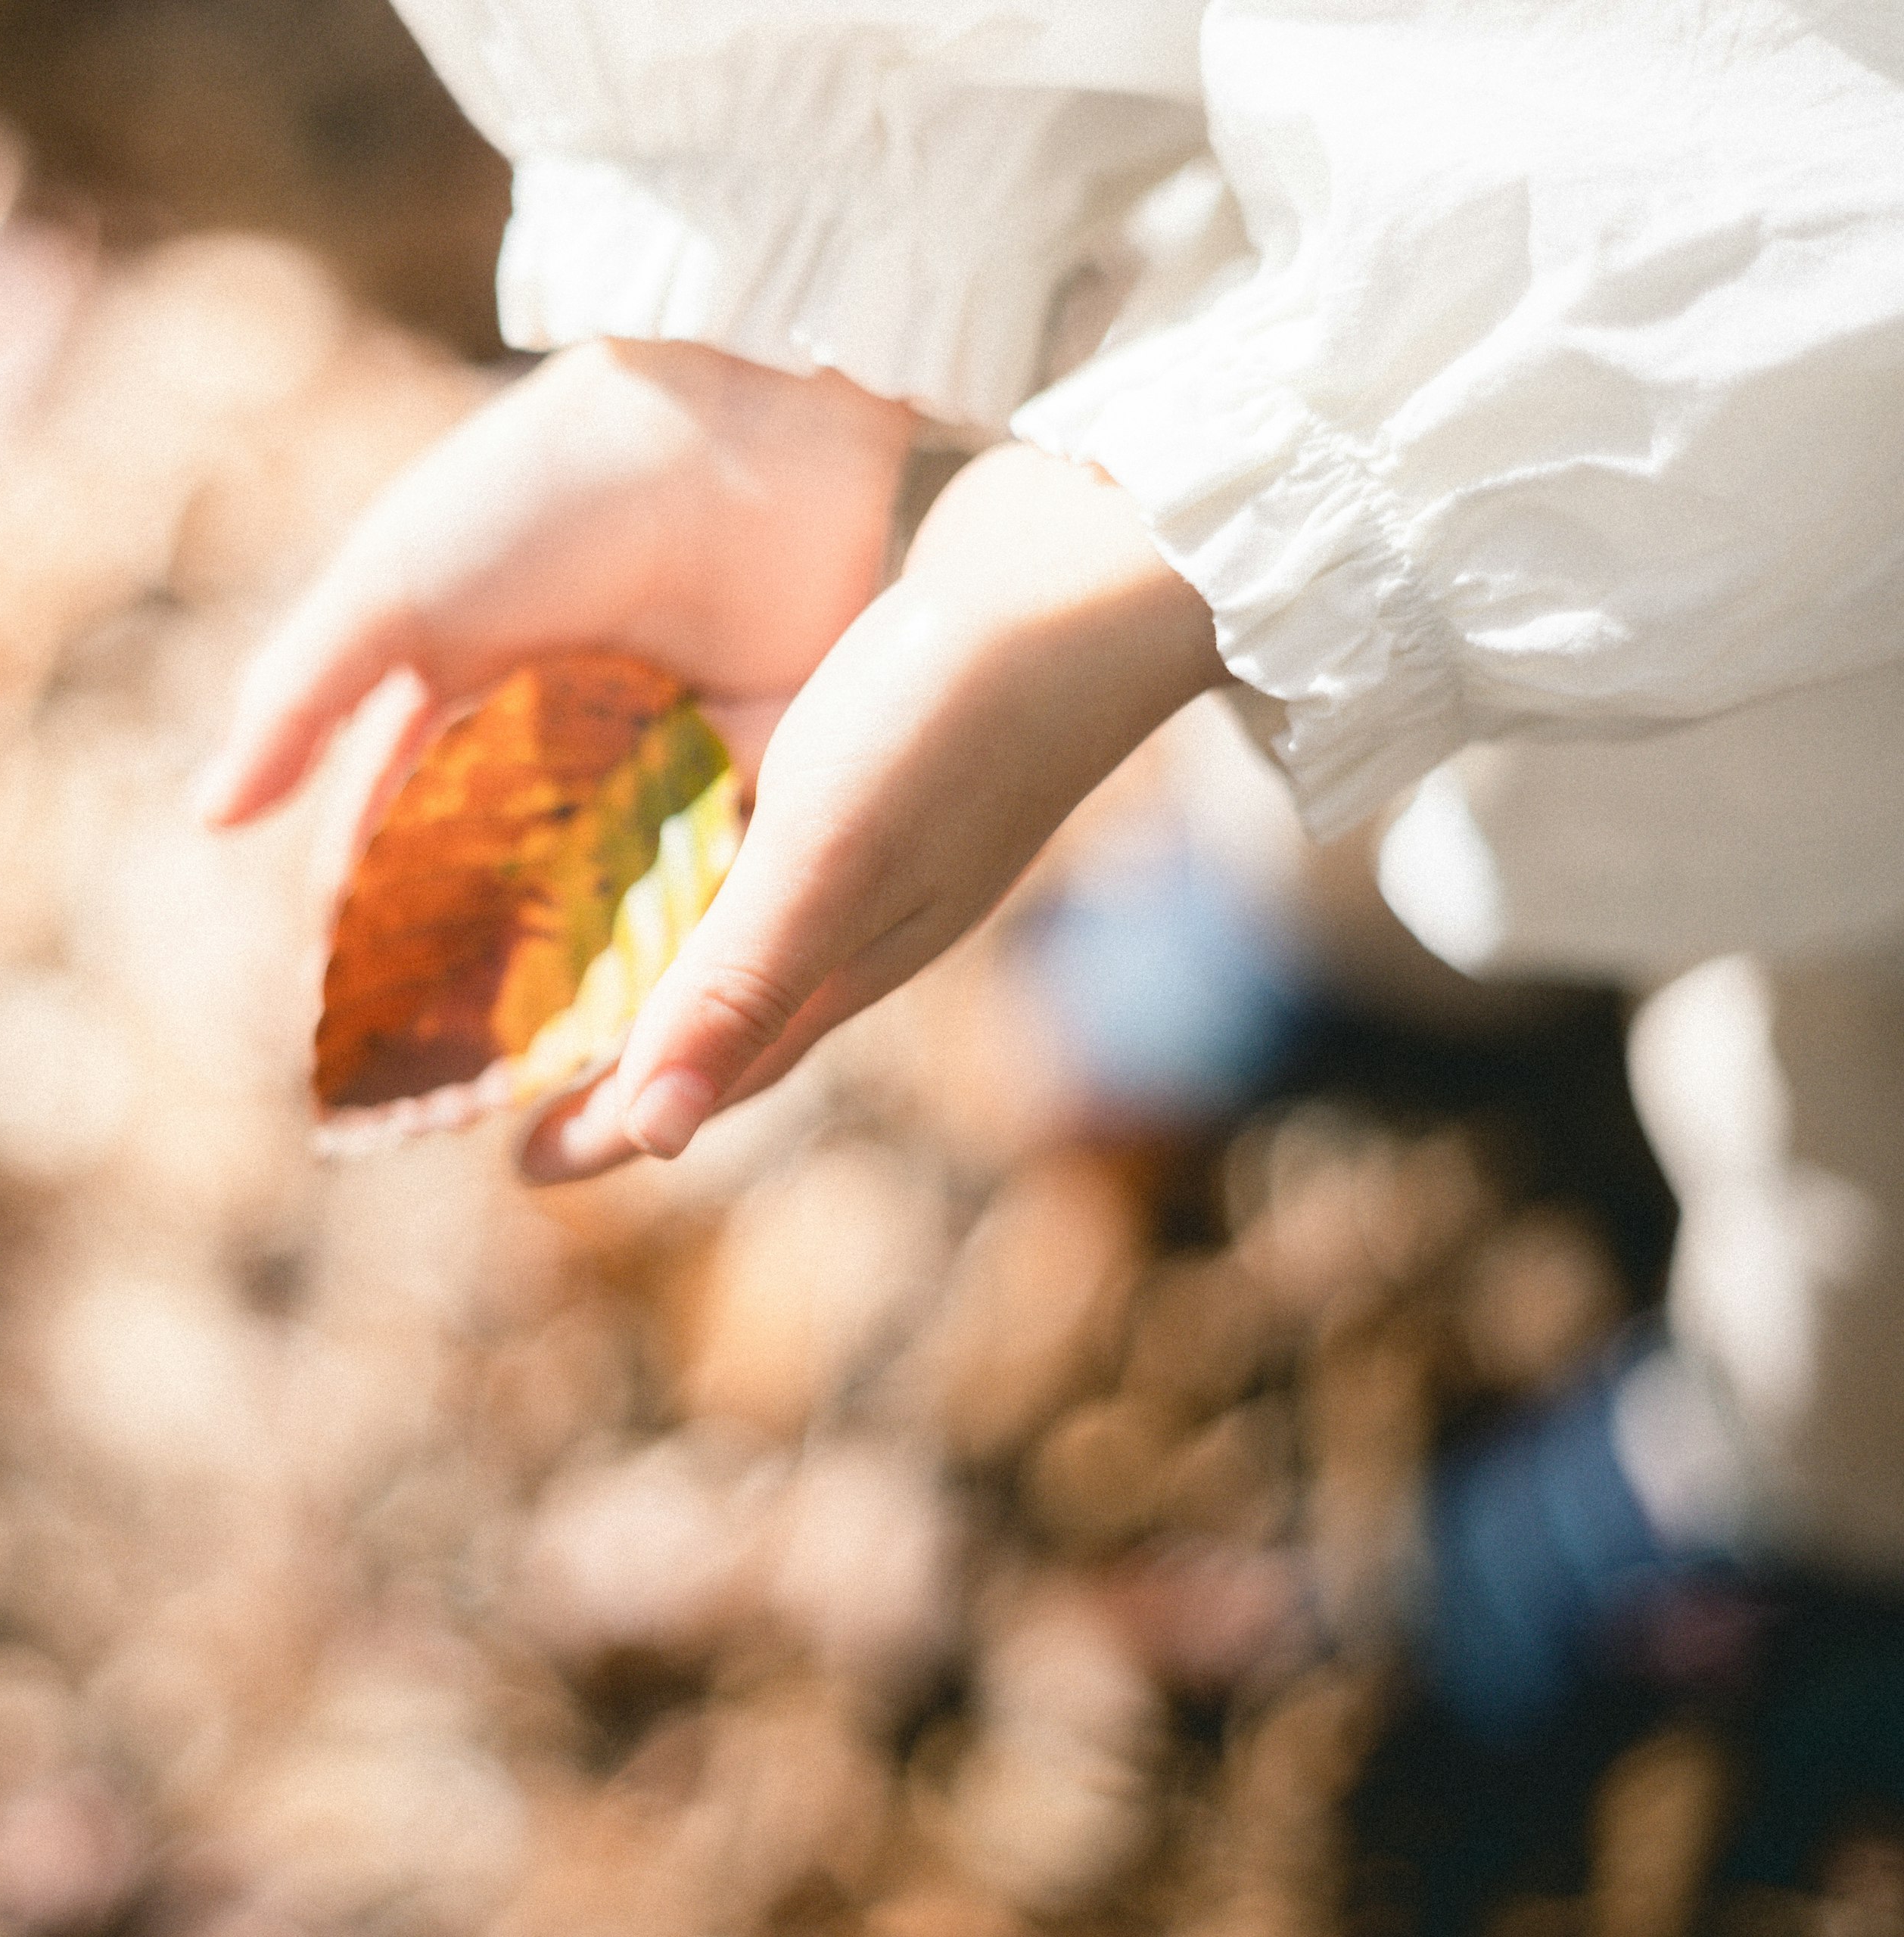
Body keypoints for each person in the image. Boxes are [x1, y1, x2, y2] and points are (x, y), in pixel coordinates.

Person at [194, 1, 1904, 1742]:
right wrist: (762, 332)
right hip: (1350, 235)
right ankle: (1355, 923)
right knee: (1319, 719)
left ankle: (1796, 1466)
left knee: (1868, 1118)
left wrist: (1240, 510)